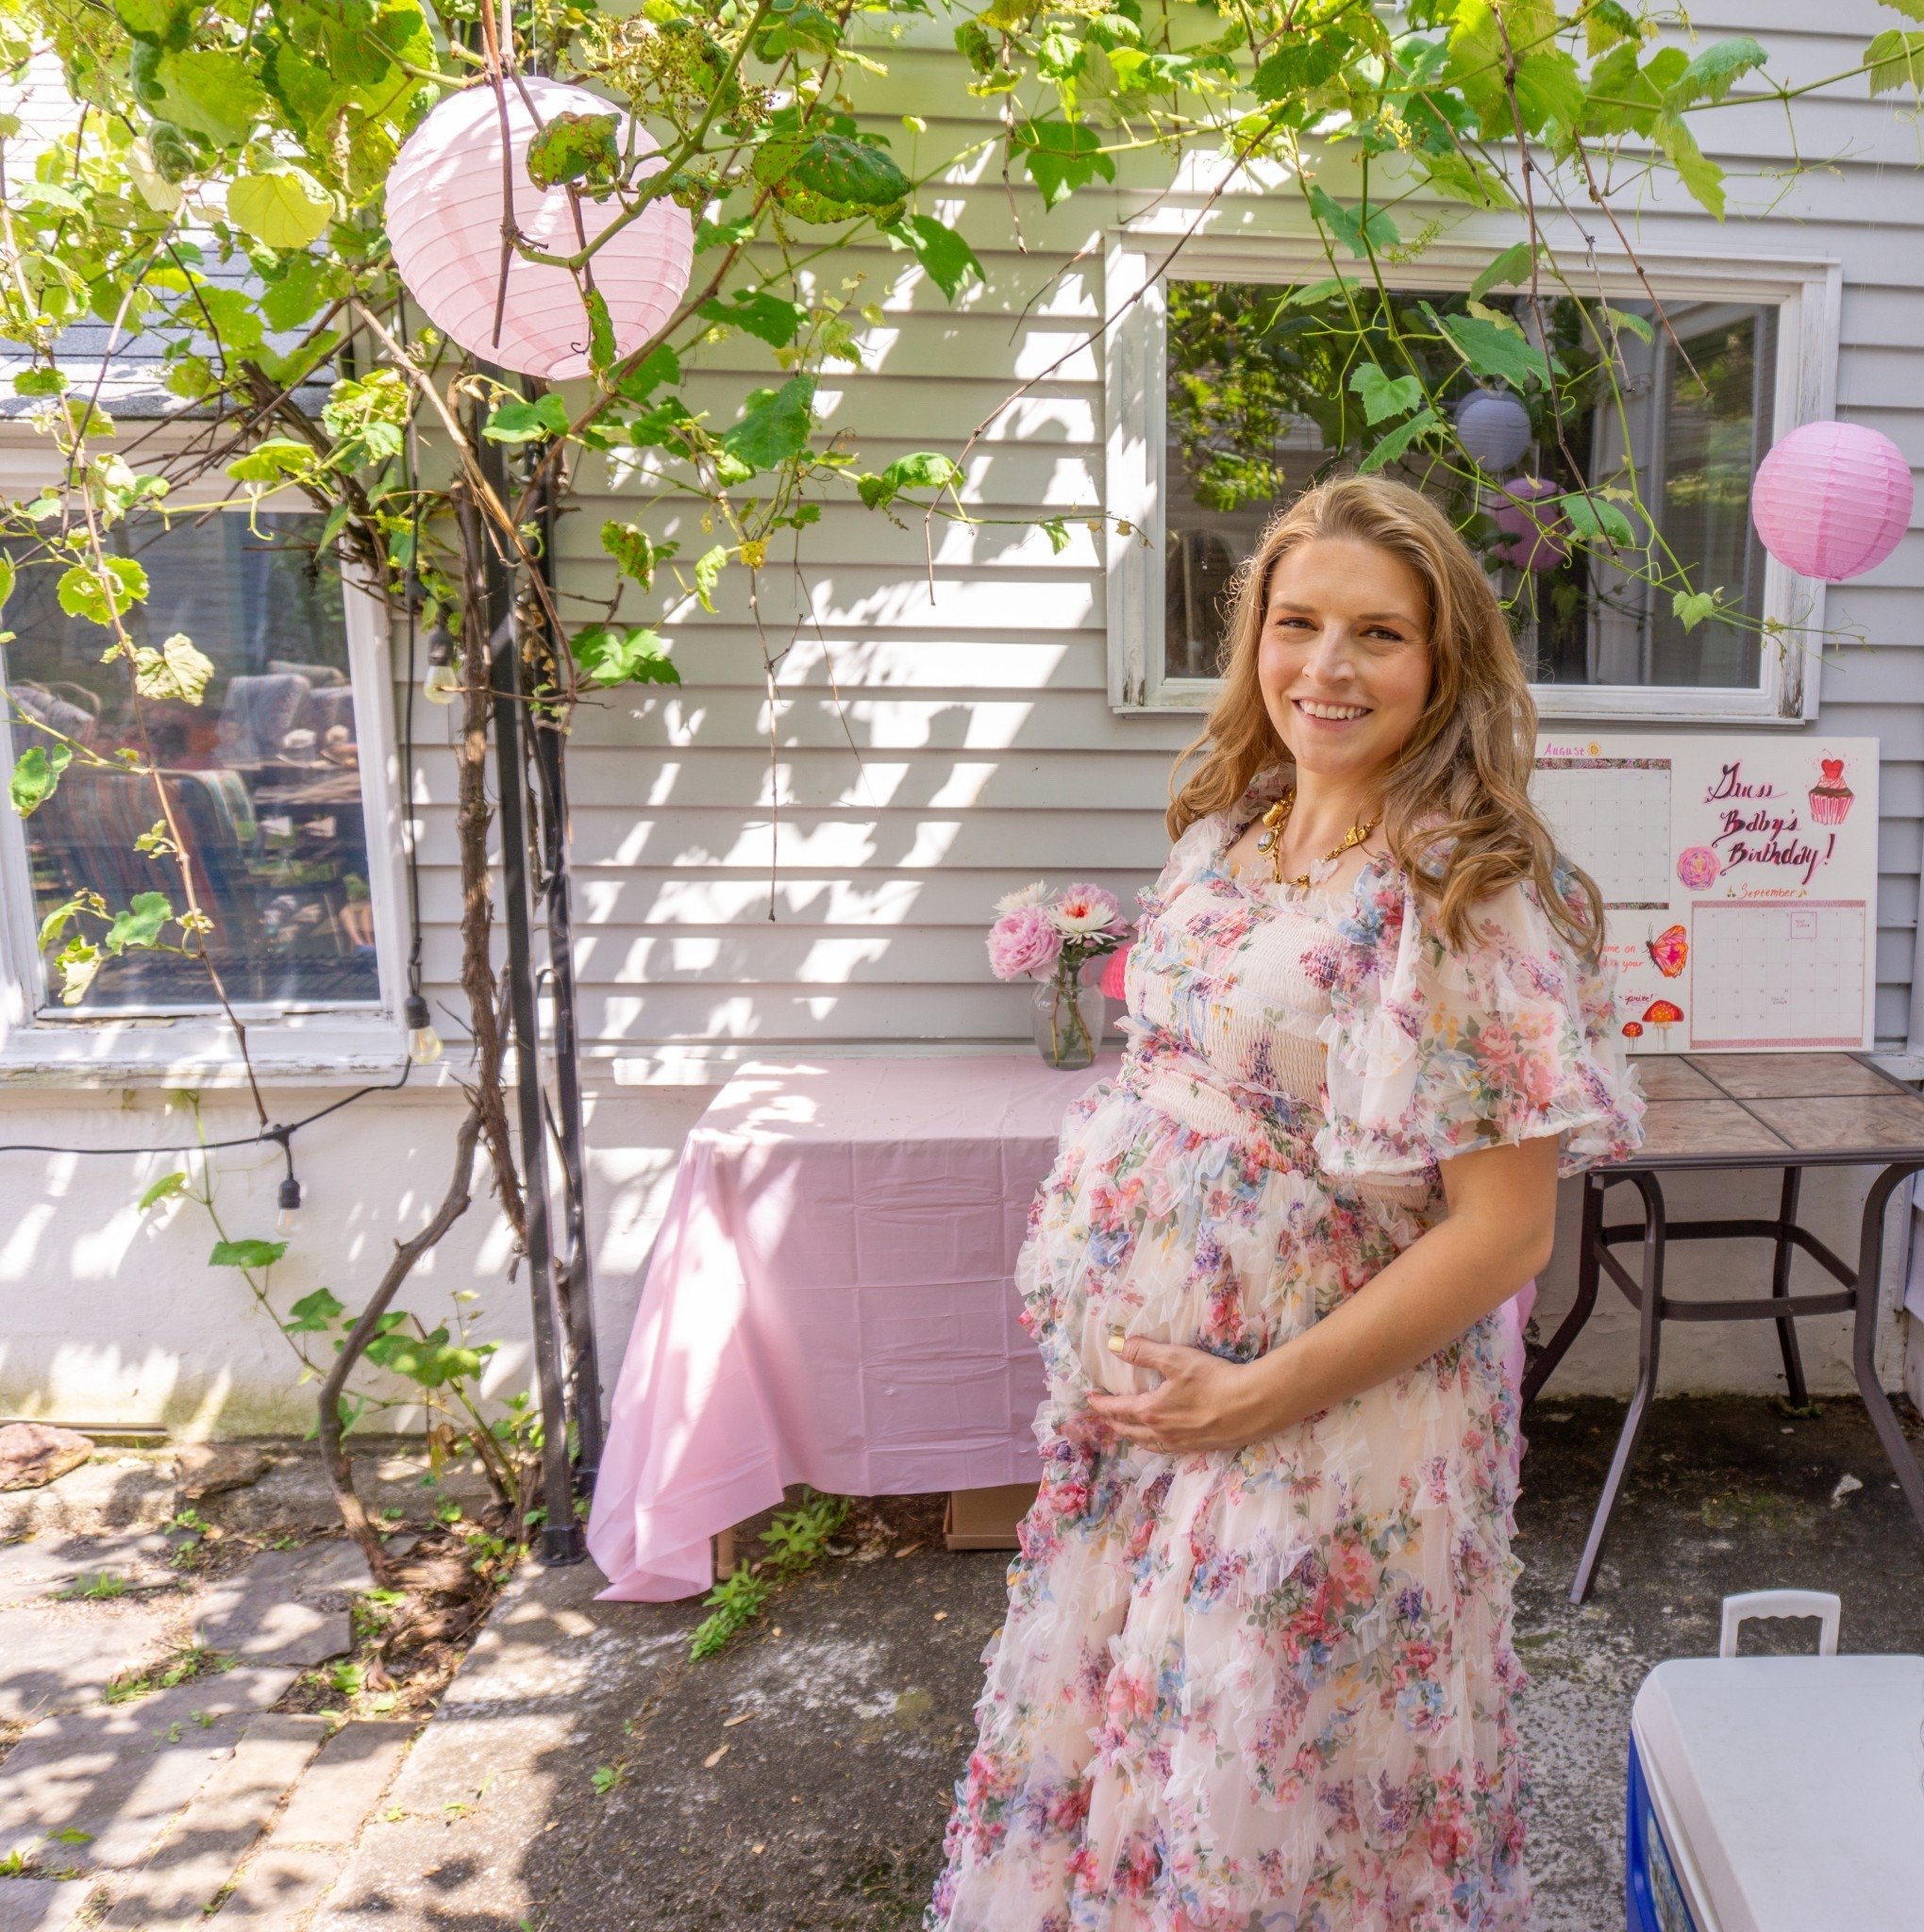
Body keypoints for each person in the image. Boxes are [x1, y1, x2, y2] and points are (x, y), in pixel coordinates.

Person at [929, 475, 1643, 1932]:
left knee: (1281, 1779)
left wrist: (1253, 1398)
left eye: (1379, 634)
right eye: (1297, 622)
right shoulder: (1227, 829)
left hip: (1324, 1423)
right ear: (1253, 634)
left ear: (1444, 662)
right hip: (1158, 1419)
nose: (1328, 667)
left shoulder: (1465, 890)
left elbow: (1504, 1231)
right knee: (1155, 1751)